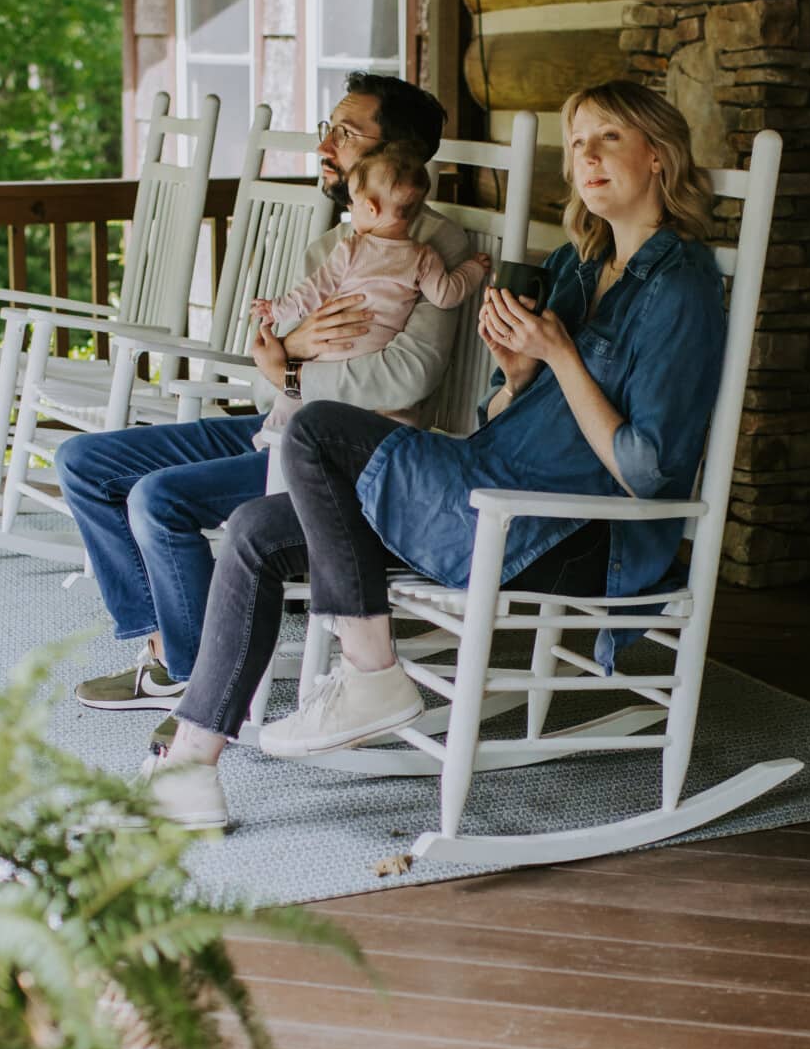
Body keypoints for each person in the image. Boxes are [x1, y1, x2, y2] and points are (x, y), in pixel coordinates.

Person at [146, 79, 726, 832]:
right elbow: (501, 419)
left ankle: (370, 674)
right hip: (491, 491)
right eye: (577, 141)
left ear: (658, 156)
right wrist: (518, 376)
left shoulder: (679, 287)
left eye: (607, 138)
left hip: (570, 532)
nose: (585, 156)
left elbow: (648, 472)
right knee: (258, 529)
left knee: (320, 425)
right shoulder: (576, 270)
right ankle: (190, 766)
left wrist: (560, 358)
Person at [60, 73, 470, 717]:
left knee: (158, 498)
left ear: (401, 156)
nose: (325, 146)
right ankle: (166, 645)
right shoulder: (330, 245)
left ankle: (195, 677)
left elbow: (407, 376)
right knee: (84, 462)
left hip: (344, 452)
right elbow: (265, 361)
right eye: (326, 130)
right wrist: (289, 359)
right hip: (280, 414)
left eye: (345, 132)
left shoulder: (433, 250)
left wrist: (295, 365)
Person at [252, 141, 492, 434]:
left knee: (287, 408)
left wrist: (277, 308)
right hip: (369, 381)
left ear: (371, 207)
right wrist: (475, 269)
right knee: (387, 418)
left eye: (352, 202)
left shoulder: (351, 248)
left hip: (327, 362)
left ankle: (269, 443)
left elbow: (314, 290)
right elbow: (447, 294)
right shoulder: (425, 256)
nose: (350, 209)